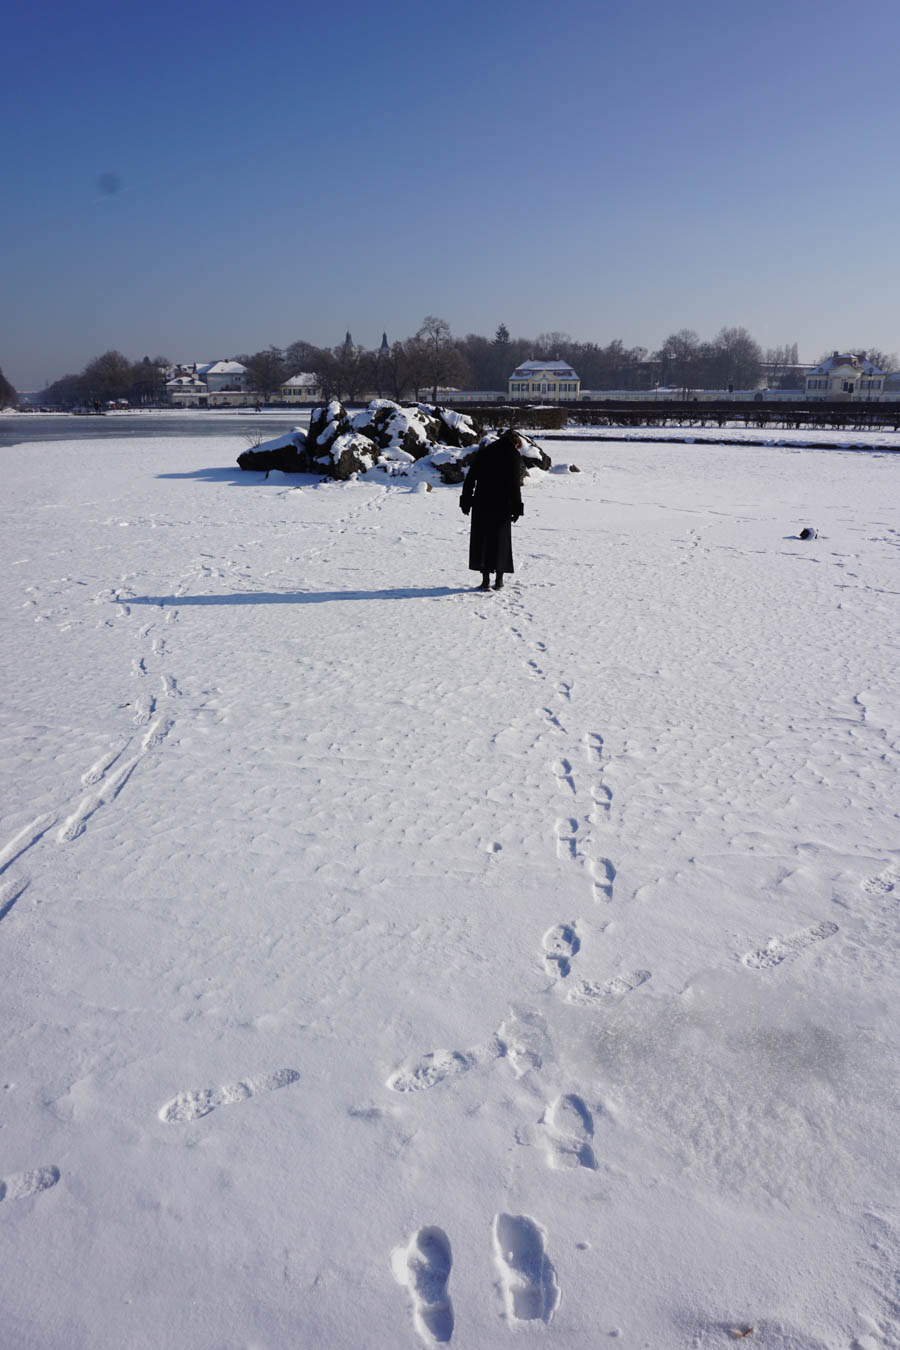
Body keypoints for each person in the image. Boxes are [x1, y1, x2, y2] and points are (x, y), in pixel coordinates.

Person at [460, 428, 524, 590]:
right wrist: (517, 507)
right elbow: (514, 485)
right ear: (515, 443)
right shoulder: (512, 455)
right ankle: (499, 580)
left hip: (482, 501)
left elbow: (470, 478)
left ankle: (485, 580)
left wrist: (466, 500)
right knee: (500, 542)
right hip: (502, 504)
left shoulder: (485, 453)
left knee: (482, 540)